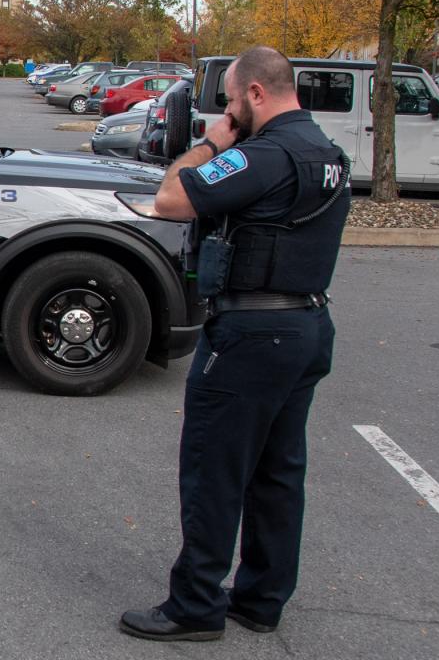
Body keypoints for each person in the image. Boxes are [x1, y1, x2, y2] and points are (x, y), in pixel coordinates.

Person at [120, 46, 350, 642]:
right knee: (277, 472)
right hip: (305, 325)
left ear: (254, 94)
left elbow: (173, 198)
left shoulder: (264, 154)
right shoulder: (327, 153)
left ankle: (195, 606)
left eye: (228, 101)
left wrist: (214, 142)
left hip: (252, 333)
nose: (226, 112)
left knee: (214, 471)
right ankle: (261, 597)